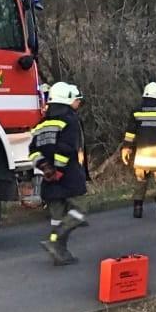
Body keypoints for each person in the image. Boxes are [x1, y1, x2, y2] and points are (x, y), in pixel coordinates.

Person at [31, 82, 89, 265]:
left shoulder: (41, 124)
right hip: (68, 177)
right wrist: (58, 170)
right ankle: (55, 242)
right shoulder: (69, 121)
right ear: (67, 99)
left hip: (49, 179)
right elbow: (65, 149)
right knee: (80, 210)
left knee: (56, 217)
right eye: (76, 100)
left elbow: (33, 150)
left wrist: (45, 168)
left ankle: (59, 253)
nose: (78, 104)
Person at [120, 81, 156, 219]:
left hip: (142, 155)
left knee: (140, 181)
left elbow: (130, 133)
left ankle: (138, 208)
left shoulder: (137, 110)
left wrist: (126, 148)